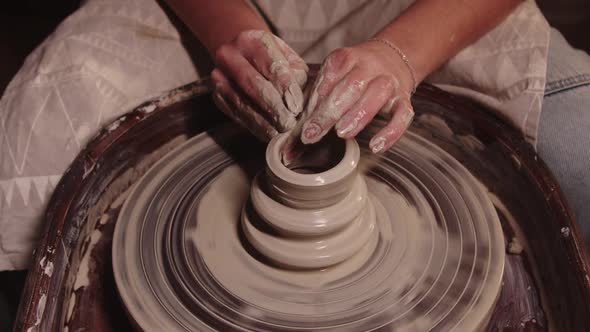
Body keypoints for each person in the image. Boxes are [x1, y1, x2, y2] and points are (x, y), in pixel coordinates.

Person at [0, 0, 588, 271]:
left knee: (579, 151)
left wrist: (401, 55)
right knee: (24, 153)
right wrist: (233, 35)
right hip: (205, 10)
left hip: (421, 10)